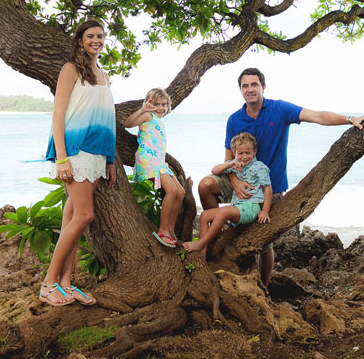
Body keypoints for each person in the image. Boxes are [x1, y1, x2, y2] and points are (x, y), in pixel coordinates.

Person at [198, 67, 364, 285]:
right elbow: (227, 160)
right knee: (205, 185)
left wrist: (349, 119)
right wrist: (235, 181)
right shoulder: (235, 120)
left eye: (254, 84)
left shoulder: (279, 109)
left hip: (270, 187)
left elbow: (317, 116)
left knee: (265, 244)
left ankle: (265, 286)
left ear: (263, 86)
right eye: (245, 86)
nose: (250, 89)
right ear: (240, 90)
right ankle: (215, 235)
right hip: (239, 181)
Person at [39, 19, 116, 307]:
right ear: (80, 40)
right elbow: (58, 114)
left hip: (97, 153)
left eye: (100, 36)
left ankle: (66, 284)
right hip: (75, 151)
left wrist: (109, 159)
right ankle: (48, 284)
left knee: (72, 216)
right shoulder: (71, 69)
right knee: (85, 216)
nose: (96, 40)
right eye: (90, 36)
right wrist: (61, 157)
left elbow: (106, 118)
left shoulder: (103, 74)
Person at [182, 132, 271, 253]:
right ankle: (201, 256)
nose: (244, 156)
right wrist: (229, 164)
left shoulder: (259, 167)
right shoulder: (234, 164)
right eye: (240, 153)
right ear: (234, 153)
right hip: (237, 207)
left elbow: (268, 189)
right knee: (204, 216)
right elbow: (214, 170)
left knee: (223, 212)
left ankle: (201, 243)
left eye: (248, 152)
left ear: (254, 152)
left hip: (251, 207)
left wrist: (265, 211)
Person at [124, 87, 184, 247]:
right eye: (157, 104)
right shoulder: (147, 116)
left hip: (159, 161)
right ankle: (163, 230)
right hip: (149, 159)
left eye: (164, 104)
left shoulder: (159, 121)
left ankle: (170, 230)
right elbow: (128, 123)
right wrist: (142, 109)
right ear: (149, 104)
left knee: (181, 191)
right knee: (171, 191)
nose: (161, 108)